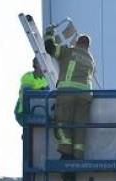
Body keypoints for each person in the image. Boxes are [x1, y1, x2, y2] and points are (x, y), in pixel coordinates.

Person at [44, 28, 95, 159]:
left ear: (77, 42)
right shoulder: (90, 60)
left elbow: (50, 48)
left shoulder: (69, 51)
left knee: (62, 123)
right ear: (88, 46)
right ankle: (77, 157)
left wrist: (49, 35)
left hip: (67, 94)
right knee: (79, 127)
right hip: (85, 97)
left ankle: (66, 155)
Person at [14, 57, 49, 127]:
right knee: (47, 121)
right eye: (41, 62)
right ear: (36, 64)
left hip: (37, 112)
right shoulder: (28, 77)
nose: (44, 65)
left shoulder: (46, 80)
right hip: (23, 114)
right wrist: (42, 90)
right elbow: (27, 94)